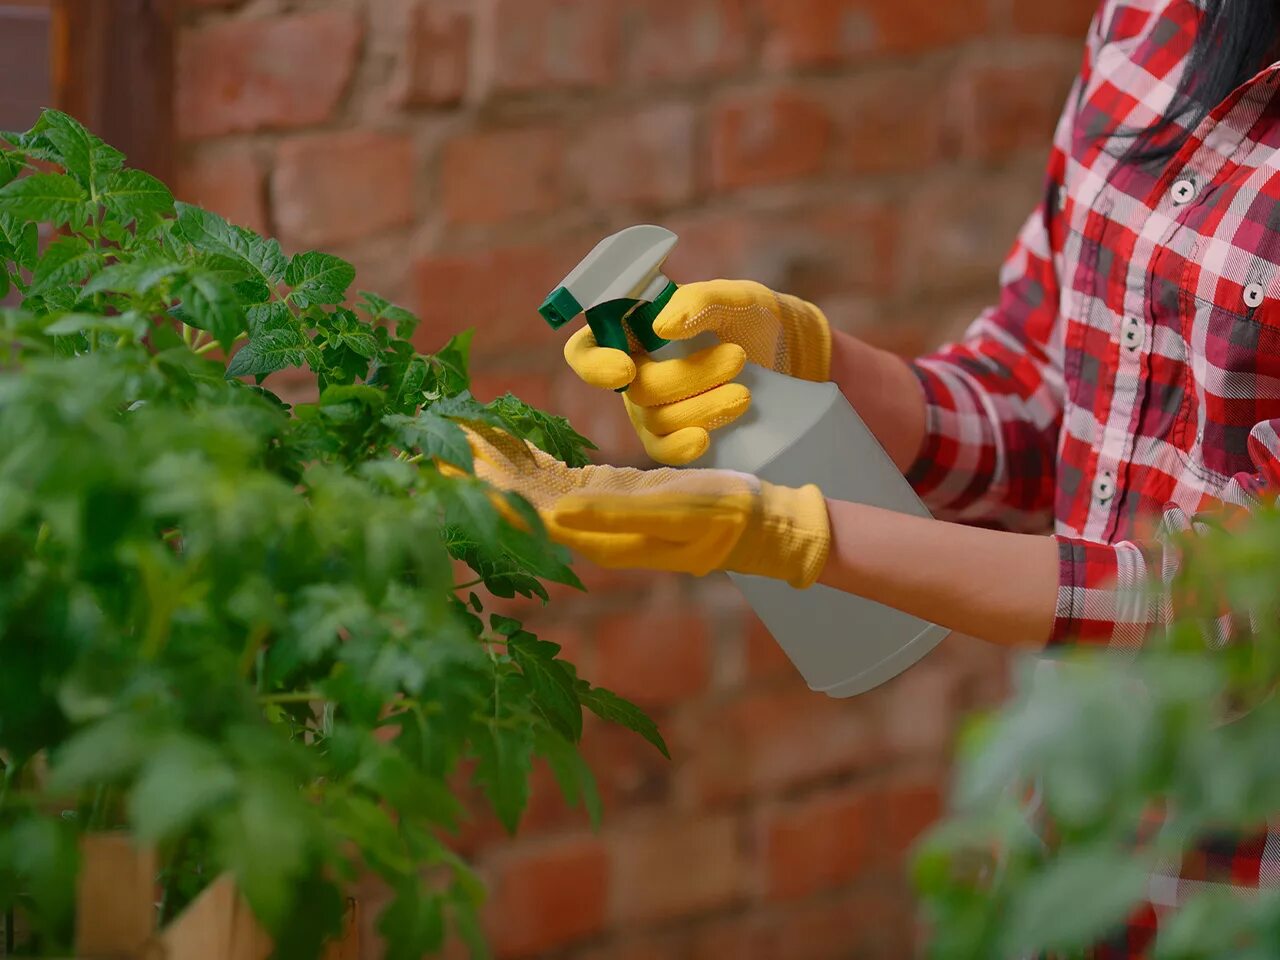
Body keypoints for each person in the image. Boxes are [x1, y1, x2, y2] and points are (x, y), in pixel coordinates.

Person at [472, 0, 1280, 954]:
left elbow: (1240, 606)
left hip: (1236, 896)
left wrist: (786, 533)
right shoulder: (1153, 23)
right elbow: (1047, 389)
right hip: (1062, 859)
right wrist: (808, 358)